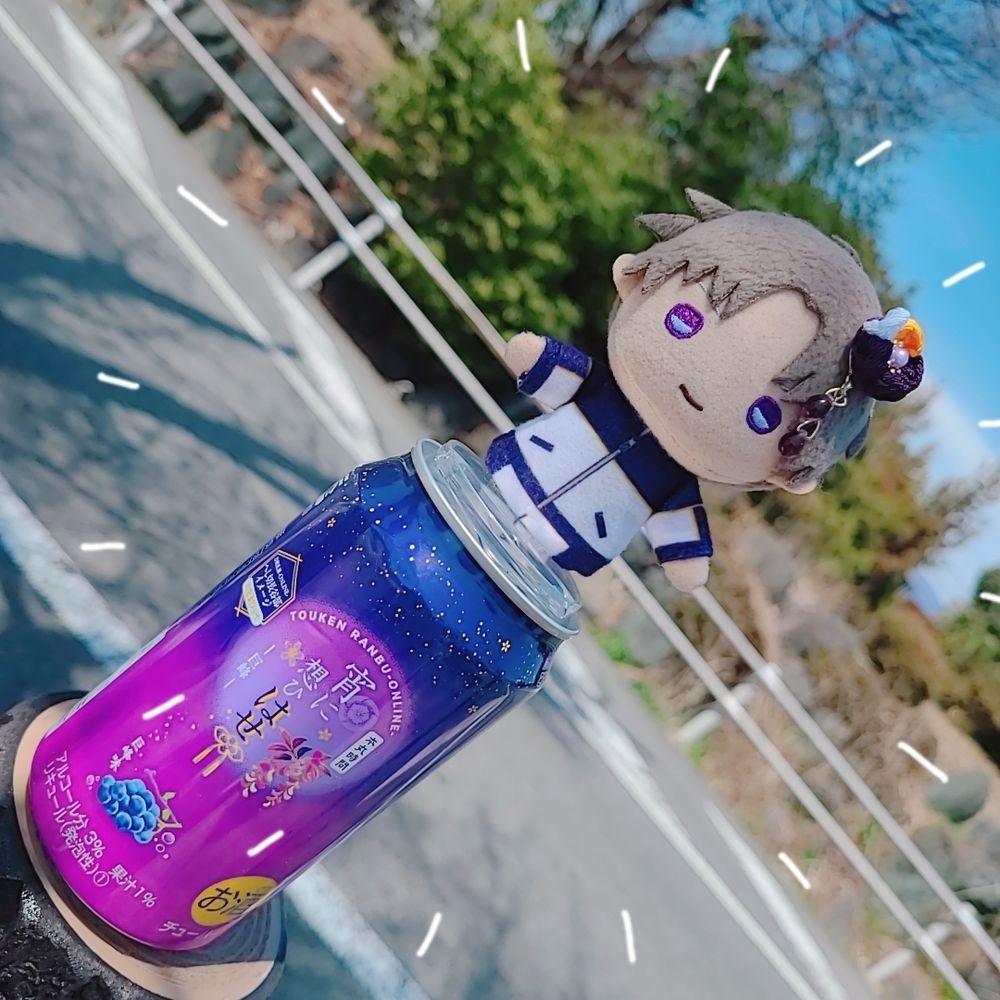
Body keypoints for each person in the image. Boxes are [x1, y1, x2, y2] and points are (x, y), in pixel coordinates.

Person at [486, 189, 924, 591]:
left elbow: (682, 540)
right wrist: (537, 360)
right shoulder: (601, 394)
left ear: (789, 471)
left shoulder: (671, 483)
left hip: (550, 563)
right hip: (499, 479)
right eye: (683, 322)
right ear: (633, 278)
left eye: (764, 415)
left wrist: (685, 558)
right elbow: (559, 372)